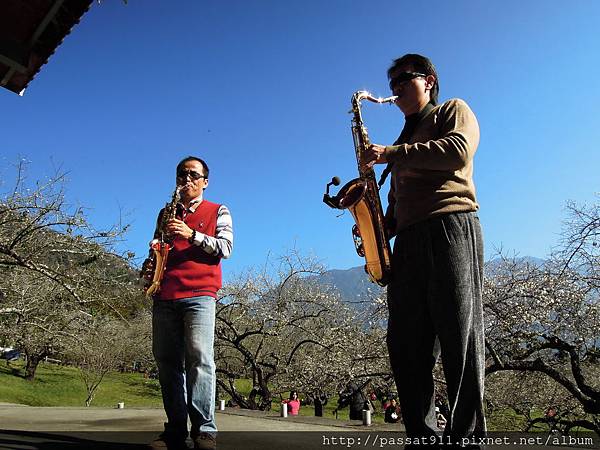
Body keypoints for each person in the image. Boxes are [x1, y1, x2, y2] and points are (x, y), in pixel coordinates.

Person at [363, 54, 485, 447]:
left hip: (451, 225)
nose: (395, 87)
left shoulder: (453, 109)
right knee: (405, 346)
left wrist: (391, 154)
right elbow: (397, 205)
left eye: (403, 78)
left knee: (459, 340)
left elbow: (457, 151)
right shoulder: (399, 141)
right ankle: (422, 438)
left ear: (428, 80)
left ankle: (466, 439)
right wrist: (376, 223)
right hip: (409, 241)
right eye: (392, 81)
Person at [145, 156, 233, 450]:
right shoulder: (165, 213)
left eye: (193, 175)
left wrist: (191, 234)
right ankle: (174, 432)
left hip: (200, 295)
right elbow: (158, 248)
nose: (187, 179)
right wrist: (150, 266)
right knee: (167, 363)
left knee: (200, 360)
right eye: (182, 174)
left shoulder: (218, 210)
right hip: (165, 294)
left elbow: (226, 248)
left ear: (205, 181)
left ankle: (205, 431)